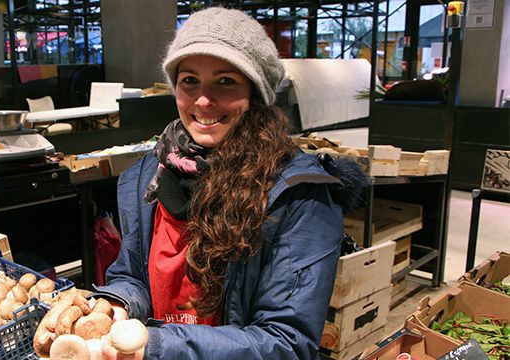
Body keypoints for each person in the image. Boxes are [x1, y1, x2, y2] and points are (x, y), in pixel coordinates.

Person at [93, 6, 365, 359]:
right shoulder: (149, 176)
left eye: (225, 81)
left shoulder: (299, 195)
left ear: (256, 93)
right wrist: (117, 305)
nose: (204, 100)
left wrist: (160, 346)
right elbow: (132, 275)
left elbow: (286, 342)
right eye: (189, 80)